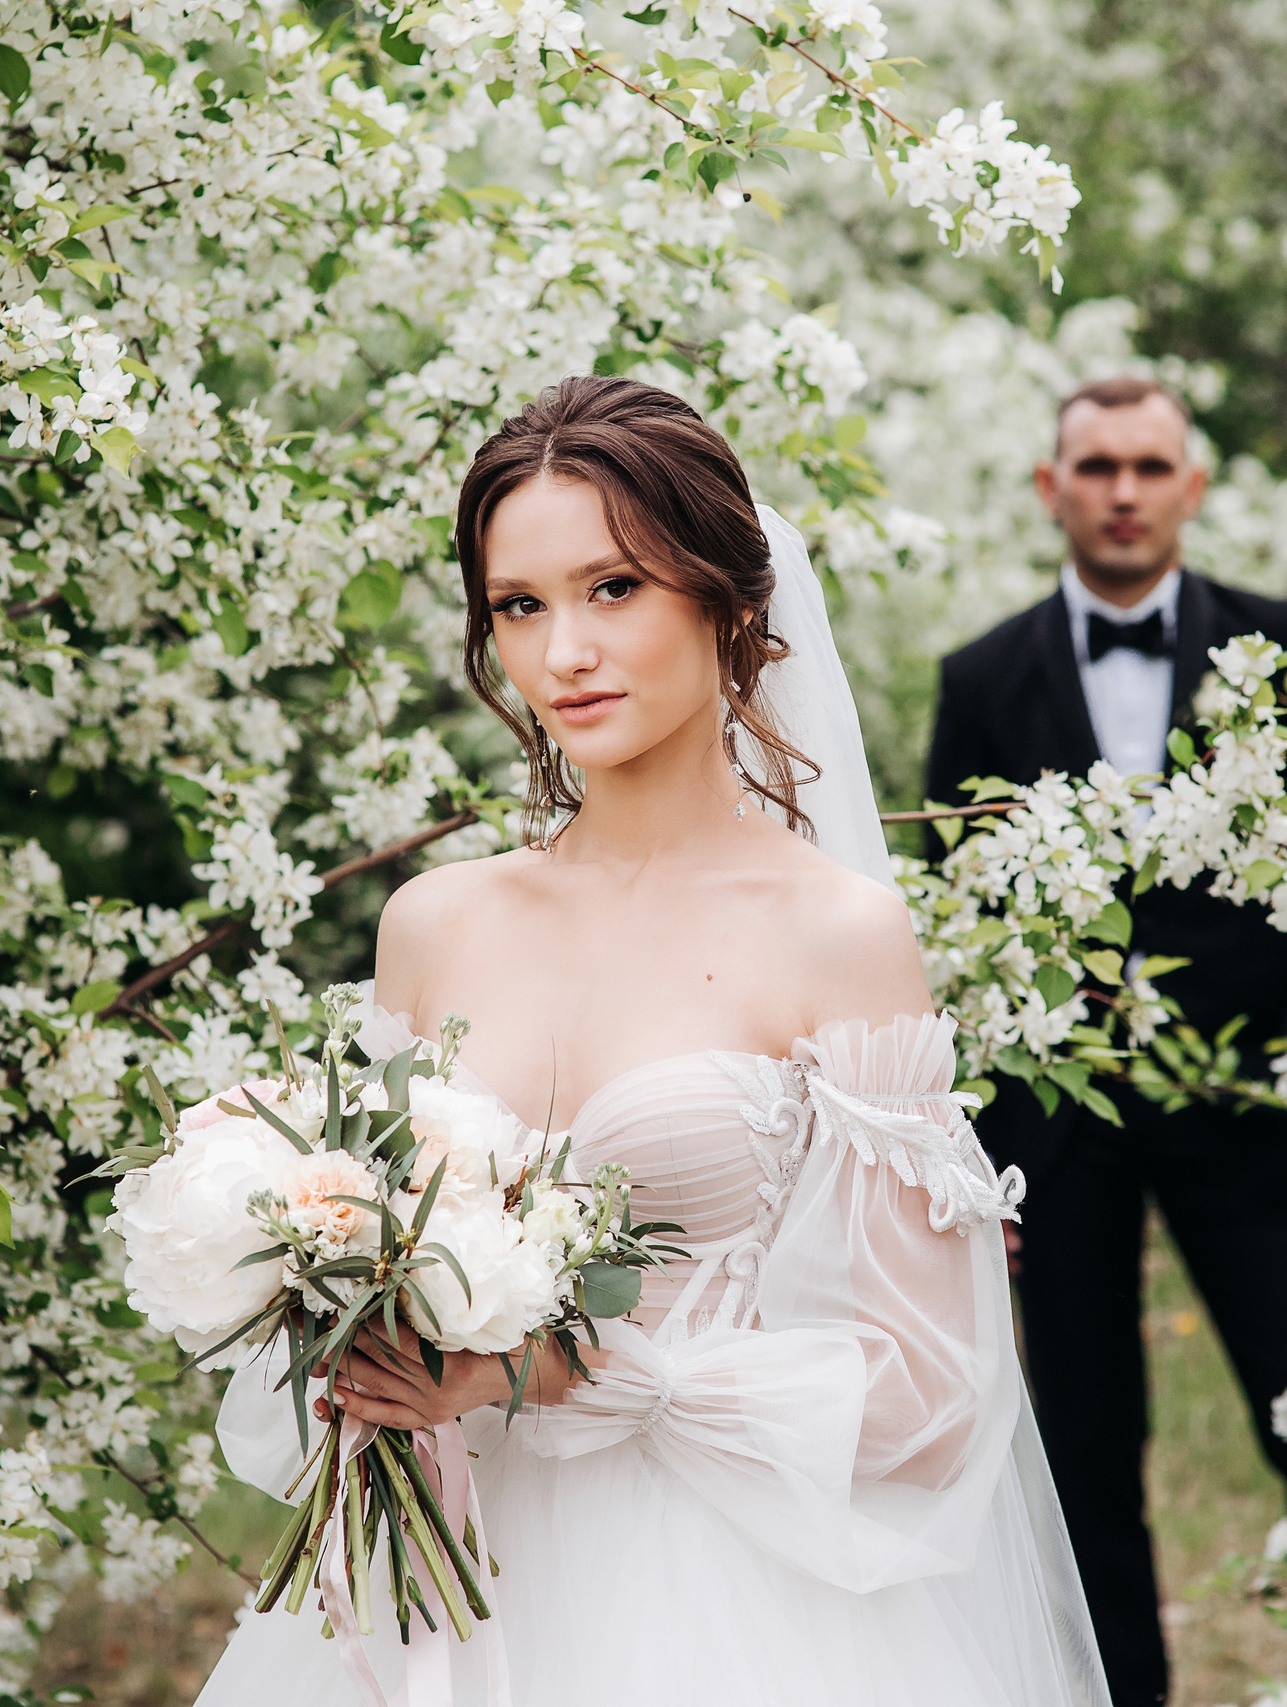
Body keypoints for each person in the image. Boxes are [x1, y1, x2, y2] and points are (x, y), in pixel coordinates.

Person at [194, 376, 1108, 1707]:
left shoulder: (836, 933)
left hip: (734, 1599)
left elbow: (928, 1396)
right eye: (521, 605)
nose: (565, 651)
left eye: (613, 588)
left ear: (730, 601)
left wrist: (548, 1371)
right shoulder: (433, 924)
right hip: (447, 1580)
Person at [925, 377, 1287, 1707]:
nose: (1122, 492)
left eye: (1148, 466)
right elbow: (950, 924)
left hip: (1245, 1115)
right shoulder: (983, 677)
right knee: (1085, 1449)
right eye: (1097, 467)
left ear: (1191, 485)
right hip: (1057, 1138)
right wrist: (974, 1139)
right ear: (1050, 487)